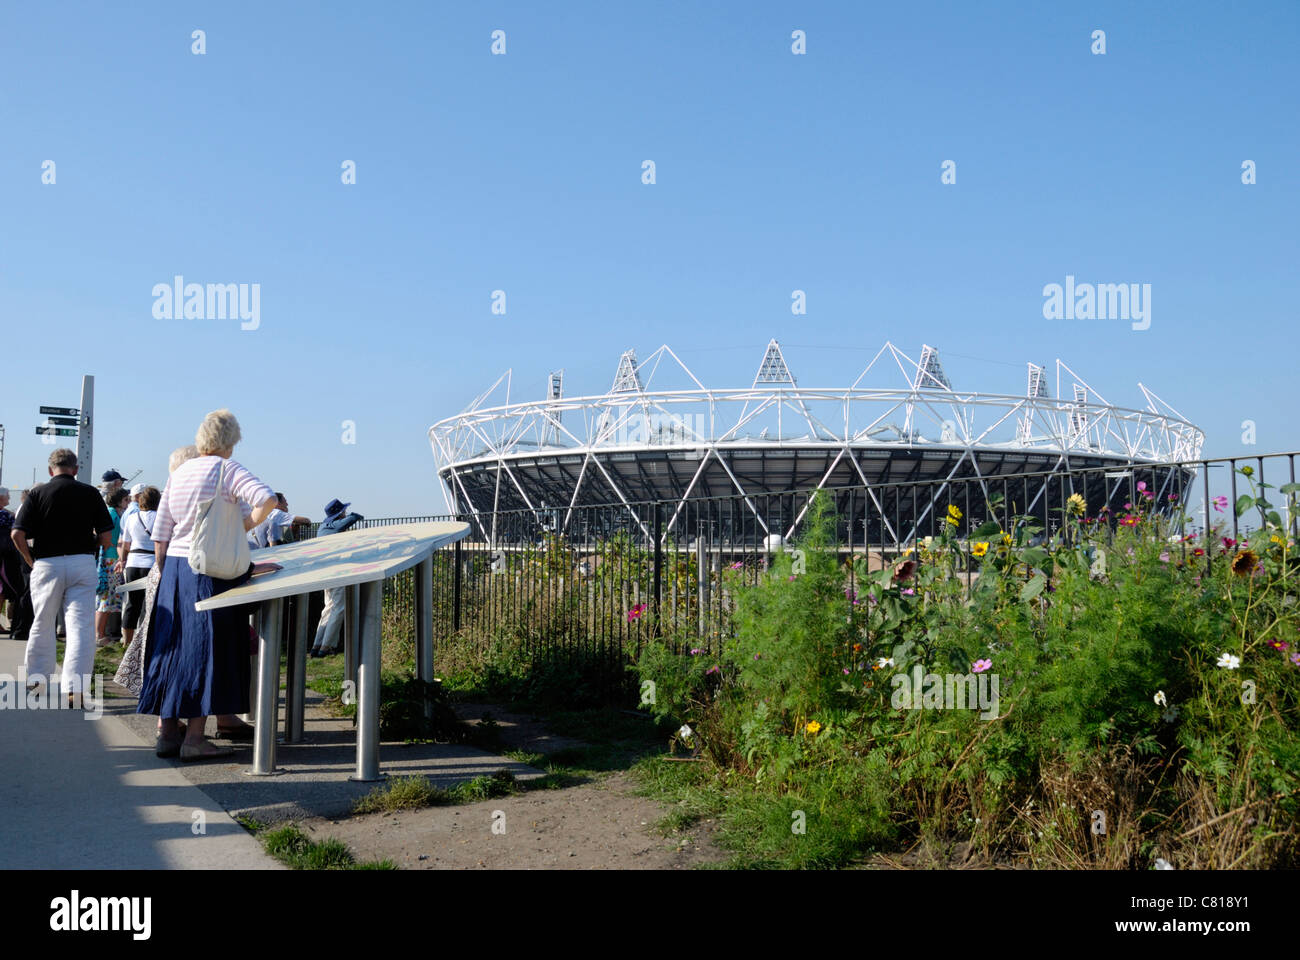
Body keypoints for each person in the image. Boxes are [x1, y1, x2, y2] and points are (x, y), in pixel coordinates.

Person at [138, 410, 277, 761]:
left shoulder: (180, 471)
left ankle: (168, 734)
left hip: (173, 568)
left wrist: (165, 569)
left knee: (170, 650)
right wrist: (244, 525)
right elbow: (268, 499)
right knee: (204, 651)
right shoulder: (227, 469)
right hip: (209, 573)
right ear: (230, 442)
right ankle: (195, 740)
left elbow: (162, 530)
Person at [10, 450, 114, 707]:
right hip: (81, 561)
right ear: (75, 469)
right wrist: (94, 552)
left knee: (42, 621)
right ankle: (75, 690)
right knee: (80, 627)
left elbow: (16, 534)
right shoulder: (90, 493)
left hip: (46, 562)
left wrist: (30, 560)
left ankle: (37, 681)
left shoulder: (36, 494)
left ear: (50, 470)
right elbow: (106, 536)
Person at [309, 498, 364, 657]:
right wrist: (354, 516)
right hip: (336, 573)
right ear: (340, 513)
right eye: (343, 511)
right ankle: (326, 646)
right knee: (339, 608)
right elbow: (353, 518)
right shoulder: (334, 526)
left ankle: (317, 645)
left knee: (328, 608)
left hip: (325, 572)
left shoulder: (322, 527)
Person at [115, 485, 160, 650]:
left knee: (132, 604)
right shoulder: (160, 517)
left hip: (133, 562)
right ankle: (148, 642)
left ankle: (127, 643)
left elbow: (125, 544)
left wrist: (122, 560)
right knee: (152, 605)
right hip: (152, 563)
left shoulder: (132, 518)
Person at [95, 487, 130, 645]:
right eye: (125, 500)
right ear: (119, 500)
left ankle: (100, 633)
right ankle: (99, 634)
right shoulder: (113, 515)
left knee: (107, 598)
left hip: (110, 558)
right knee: (106, 598)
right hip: (110, 559)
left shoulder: (113, 513)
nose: (128, 503)